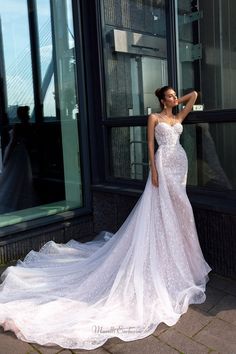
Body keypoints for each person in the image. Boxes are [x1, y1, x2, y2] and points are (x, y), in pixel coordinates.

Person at [0, 87, 211, 350]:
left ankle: (181, 257)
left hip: (180, 163)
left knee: (182, 211)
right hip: (163, 164)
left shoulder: (177, 118)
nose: (173, 98)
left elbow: (194, 96)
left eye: (173, 96)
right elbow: (148, 144)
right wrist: (153, 171)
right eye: (169, 96)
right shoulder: (154, 118)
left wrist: (180, 99)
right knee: (163, 209)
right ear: (160, 100)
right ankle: (162, 253)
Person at [0, 106, 35, 213]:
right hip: (24, 155)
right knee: (22, 178)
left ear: (19, 115)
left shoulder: (17, 126)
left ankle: (11, 201)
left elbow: (12, 143)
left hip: (17, 154)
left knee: (12, 177)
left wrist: (6, 158)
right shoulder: (29, 126)